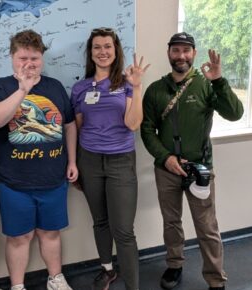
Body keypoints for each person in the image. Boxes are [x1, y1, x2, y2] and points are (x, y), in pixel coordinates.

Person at [141, 32, 244, 290]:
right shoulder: (155, 90)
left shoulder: (206, 84)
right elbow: (146, 129)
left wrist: (219, 80)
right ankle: (174, 265)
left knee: (207, 226)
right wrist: (165, 158)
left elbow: (235, 114)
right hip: (166, 169)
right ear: (169, 53)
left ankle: (216, 279)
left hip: (200, 168)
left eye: (186, 51)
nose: (181, 56)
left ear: (194, 54)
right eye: (176, 50)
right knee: (171, 222)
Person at [0, 29, 78, 290]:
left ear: (42, 58)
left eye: (34, 58)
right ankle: (17, 286)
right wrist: (22, 90)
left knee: (50, 233)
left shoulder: (55, 87)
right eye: (23, 58)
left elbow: (69, 125)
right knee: (19, 237)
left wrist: (72, 161)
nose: (29, 64)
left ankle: (55, 279)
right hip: (13, 183)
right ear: (12, 57)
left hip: (53, 179)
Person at [70, 27, 149, 290]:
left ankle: (133, 286)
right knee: (100, 221)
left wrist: (137, 88)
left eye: (107, 46)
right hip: (89, 161)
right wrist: (75, 164)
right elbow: (77, 128)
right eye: (97, 47)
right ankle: (107, 270)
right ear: (90, 53)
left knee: (123, 231)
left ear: (116, 52)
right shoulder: (80, 88)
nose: (102, 51)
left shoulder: (126, 84)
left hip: (120, 162)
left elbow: (133, 123)